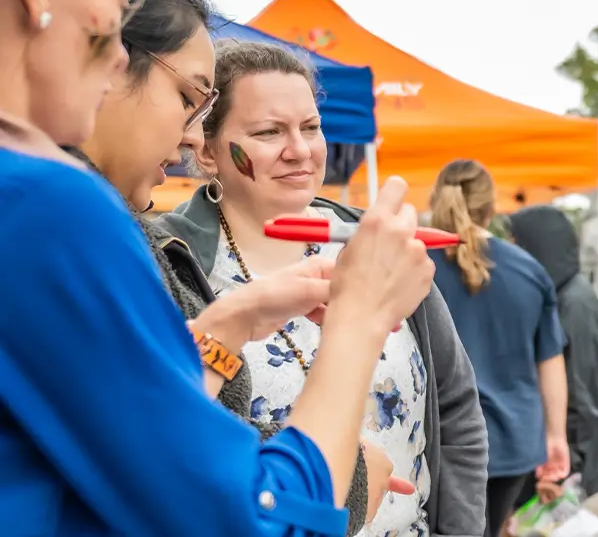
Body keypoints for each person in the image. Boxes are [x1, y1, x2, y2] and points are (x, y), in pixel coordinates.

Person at [0, 0, 435, 532]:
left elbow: (132, 436)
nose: (113, 62)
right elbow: (241, 518)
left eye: (310, 126)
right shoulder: (48, 206)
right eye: (113, 17)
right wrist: (360, 318)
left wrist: (227, 326)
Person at [156, 41, 488, 537]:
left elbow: (457, 407)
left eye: (310, 127)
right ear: (206, 151)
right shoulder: (169, 261)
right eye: (269, 132)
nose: (301, 149)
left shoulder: (377, 243)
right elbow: (171, 446)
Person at [425, 159, 570, 537]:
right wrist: (557, 436)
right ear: (492, 209)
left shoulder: (416, 263)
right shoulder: (530, 271)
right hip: (514, 438)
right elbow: (550, 362)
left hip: (437, 438)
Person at [510, 205, 598, 500]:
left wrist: (563, 468)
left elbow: (580, 390)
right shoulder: (567, 294)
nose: (510, 252)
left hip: (565, 463)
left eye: (517, 243)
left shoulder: (573, 304)